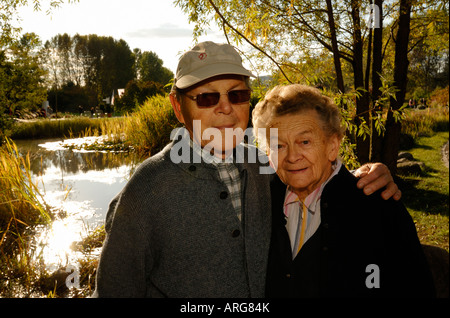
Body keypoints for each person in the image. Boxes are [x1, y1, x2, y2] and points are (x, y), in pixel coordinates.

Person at [92, 42, 401, 298]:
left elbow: (320, 175)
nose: (225, 107)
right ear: (178, 107)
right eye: (207, 97)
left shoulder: (268, 168)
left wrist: (367, 176)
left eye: (236, 95)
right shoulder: (147, 188)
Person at [252, 84, 435, 297]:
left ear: (332, 146)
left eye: (304, 141)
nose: (292, 156)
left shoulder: (378, 204)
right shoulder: (262, 199)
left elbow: (417, 287)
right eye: (279, 146)